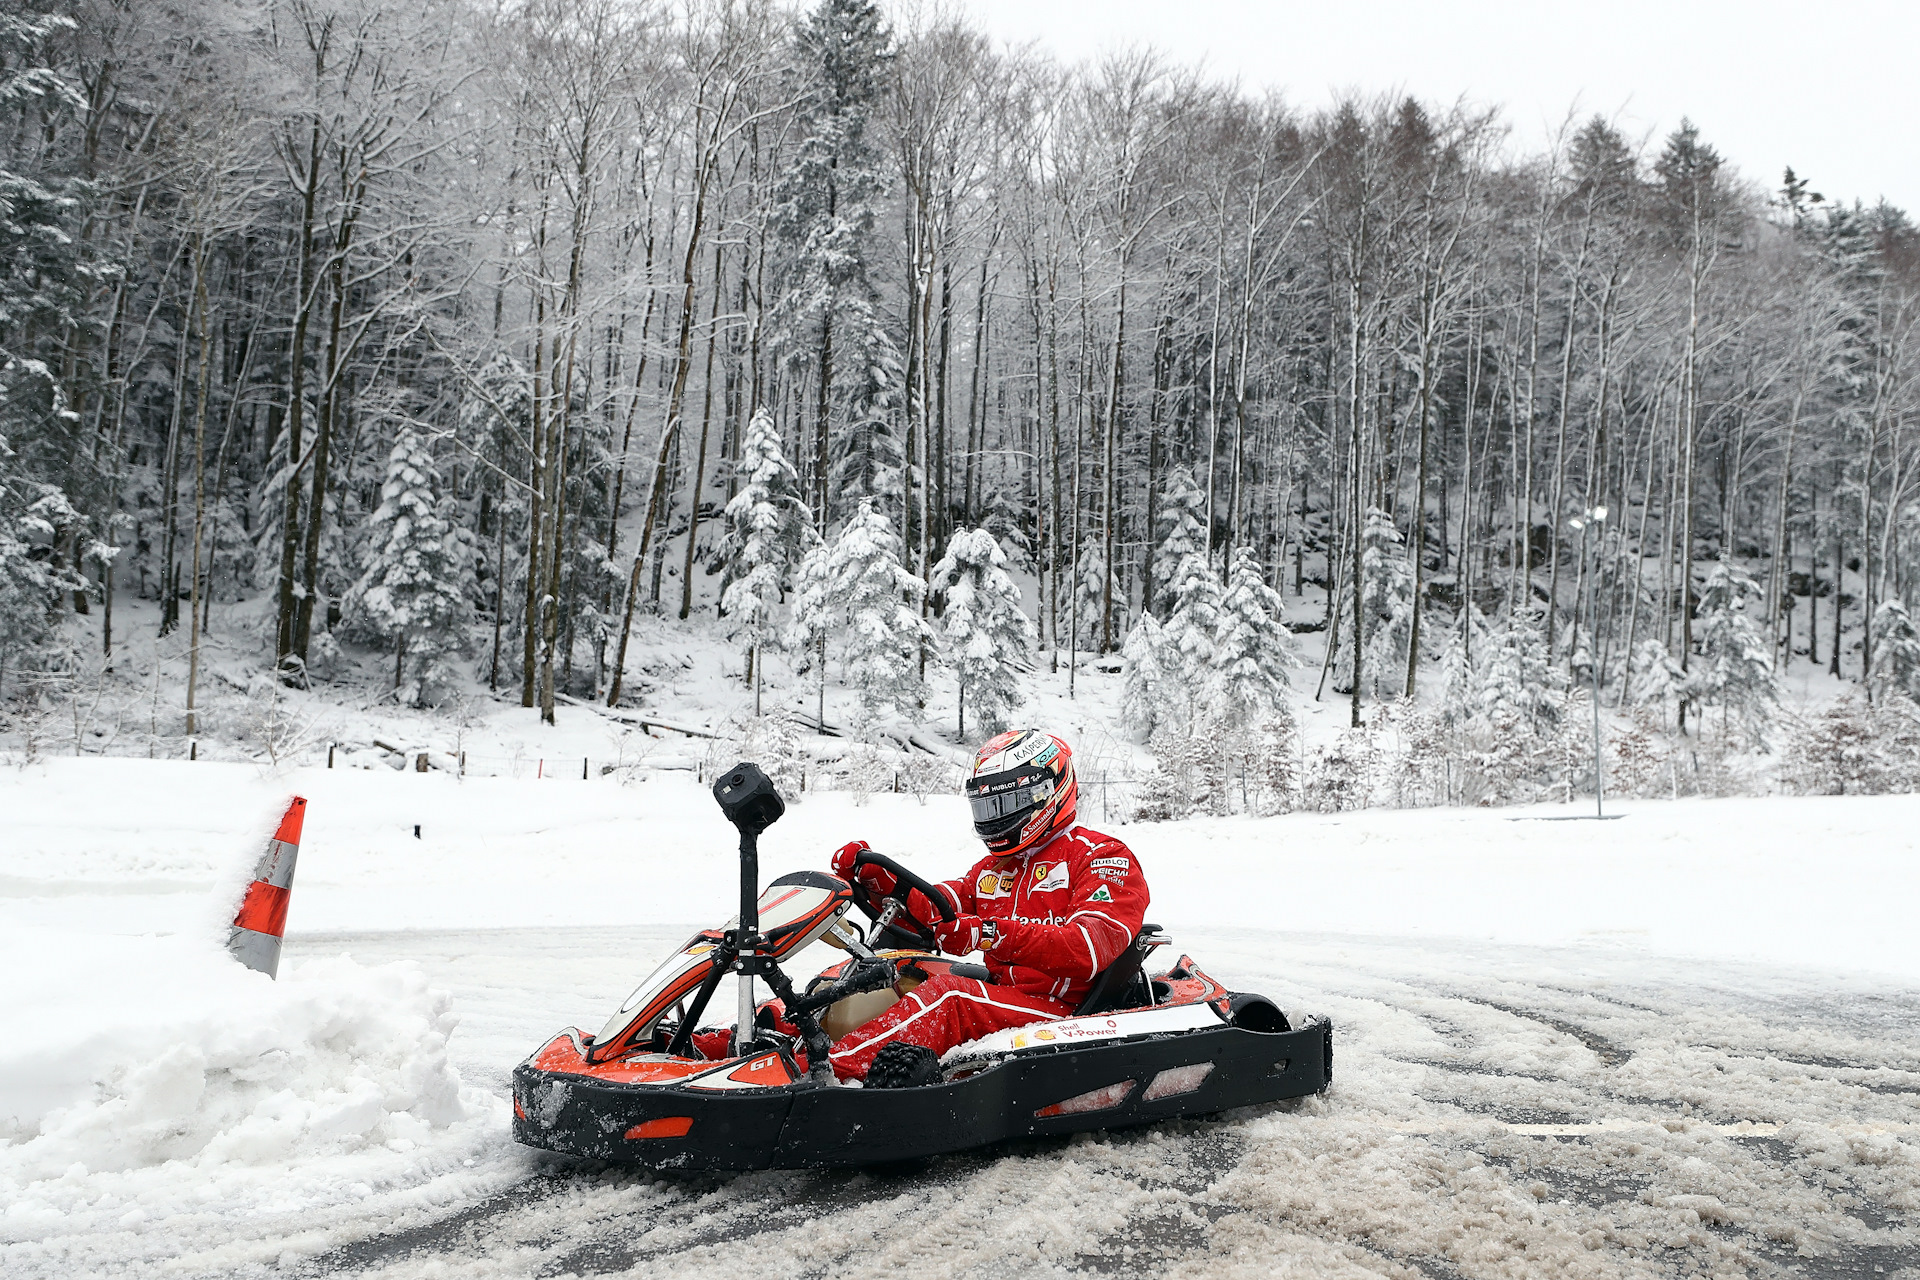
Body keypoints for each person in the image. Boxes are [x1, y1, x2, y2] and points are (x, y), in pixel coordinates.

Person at [823, 729, 1149, 1087]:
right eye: (989, 806)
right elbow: (937, 908)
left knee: (949, 996)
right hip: (1003, 993)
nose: (997, 818)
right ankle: (792, 1034)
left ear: (1048, 792)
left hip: (1062, 1010)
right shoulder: (994, 869)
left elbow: (1088, 947)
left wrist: (988, 933)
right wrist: (880, 881)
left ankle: (832, 1074)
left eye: (1007, 804)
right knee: (890, 966)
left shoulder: (1101, 856)